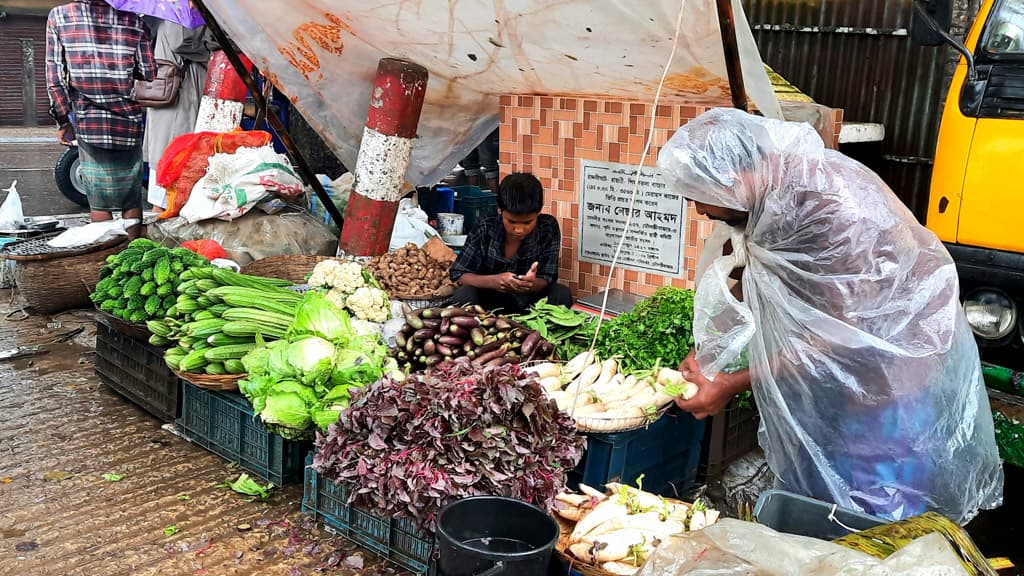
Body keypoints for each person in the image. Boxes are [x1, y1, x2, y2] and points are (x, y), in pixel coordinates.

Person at [656, 108, 1003, 525]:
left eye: (698, 193)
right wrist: (708, 350)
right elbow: (757, 277)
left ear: (733, 178)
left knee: (878, 511)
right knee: (823, 495)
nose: (697, 209)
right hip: (831, 381)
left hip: (885, 381)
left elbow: (845, 333)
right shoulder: (768, 201)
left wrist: (730, 383)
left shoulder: (835, 210)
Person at [45, 0, 154, 239]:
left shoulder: (60, 16)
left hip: (88, 121)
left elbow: (55, 79)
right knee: (130, 195)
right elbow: (149, 73)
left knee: (99, 199)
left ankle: (106, 259)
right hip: (128, 120)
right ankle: (132, 254)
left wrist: (63, 121)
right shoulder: (135, 20)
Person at [449, 173, 572, 313]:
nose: (519, 230)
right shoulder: (485, 227)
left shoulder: (548, 227)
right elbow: (459, 274)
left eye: (527, 222)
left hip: (531, 302)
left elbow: (547, 277)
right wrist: (494, 281)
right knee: (464, 295)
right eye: (512, 222)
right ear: (500, 211)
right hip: (489, 303)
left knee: (561, 294)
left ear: (538, 213)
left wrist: (529, 284)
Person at [143, 20, 211, 211]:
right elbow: (181, 41)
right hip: (180, 90)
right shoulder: (178, 13)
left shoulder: (166, 13)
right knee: (173, 158)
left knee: (169, 158)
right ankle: (164, 224)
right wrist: (212, 51)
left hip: (173, 89)